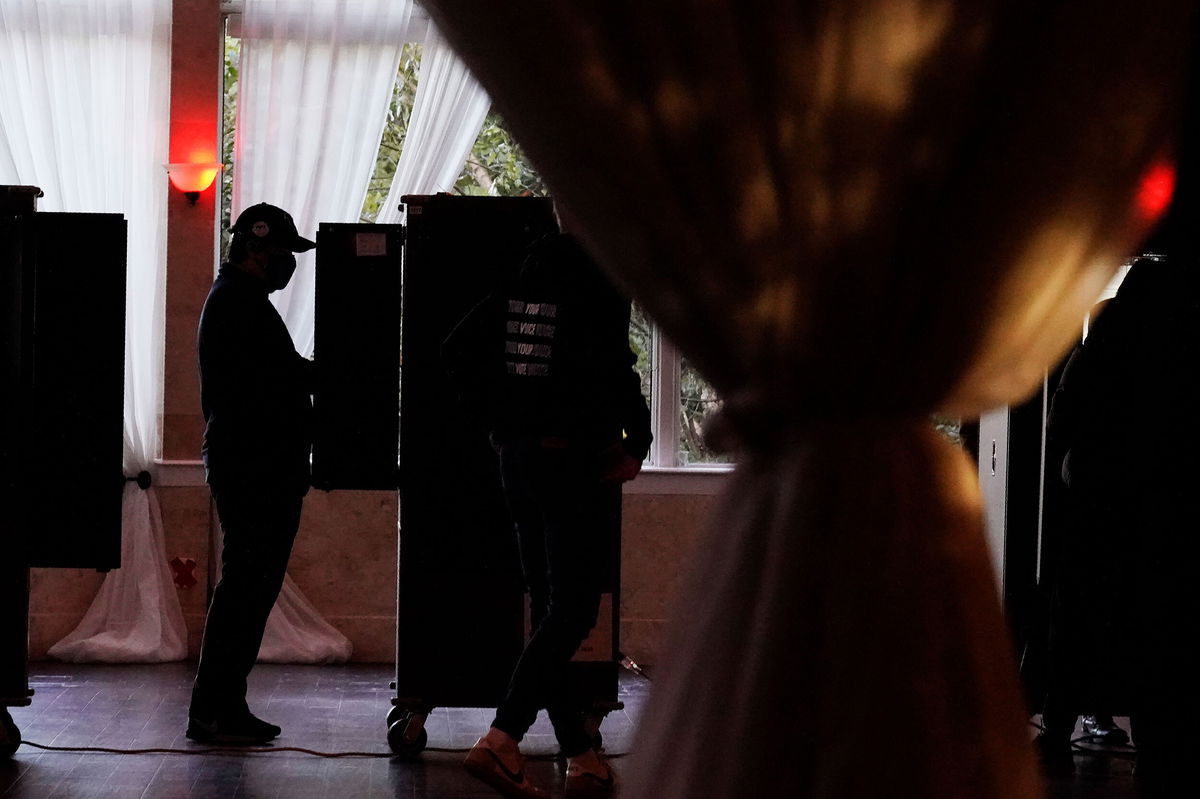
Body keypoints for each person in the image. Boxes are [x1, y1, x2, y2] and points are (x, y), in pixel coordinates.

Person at [444, 204, 651, 798]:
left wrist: (499, 421)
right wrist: (637, 441)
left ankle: (582, 755)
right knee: (575, 610)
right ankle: (502, 738)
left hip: (519, 461)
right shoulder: (598, 280)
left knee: (550, 609)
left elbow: (456, 350)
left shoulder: (523, 275)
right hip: (572, 464)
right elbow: (617, 372)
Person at [187, 203, 317, 745]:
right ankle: (214, 710)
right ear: (256, 248)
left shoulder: (241, 302)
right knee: (245, 590)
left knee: (248, 590)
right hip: (254, 470)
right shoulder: (238, 306)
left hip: (257, 467)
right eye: (283, 253)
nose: (288, 265)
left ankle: (224, 706)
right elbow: (282, 383)